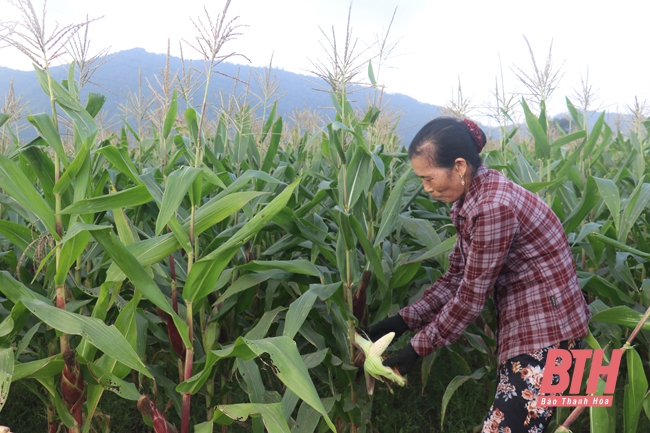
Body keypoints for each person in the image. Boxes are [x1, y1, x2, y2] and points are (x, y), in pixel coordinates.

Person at [366, 117, 590, 433]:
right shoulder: (473, 200)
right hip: (538, 326)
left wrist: (416, 349)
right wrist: (401, 322)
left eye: (429, 178)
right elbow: (456, 276)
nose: (426, 188)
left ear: (459, 166)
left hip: (549, 333)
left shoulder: (492, 207)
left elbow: (470, 297)